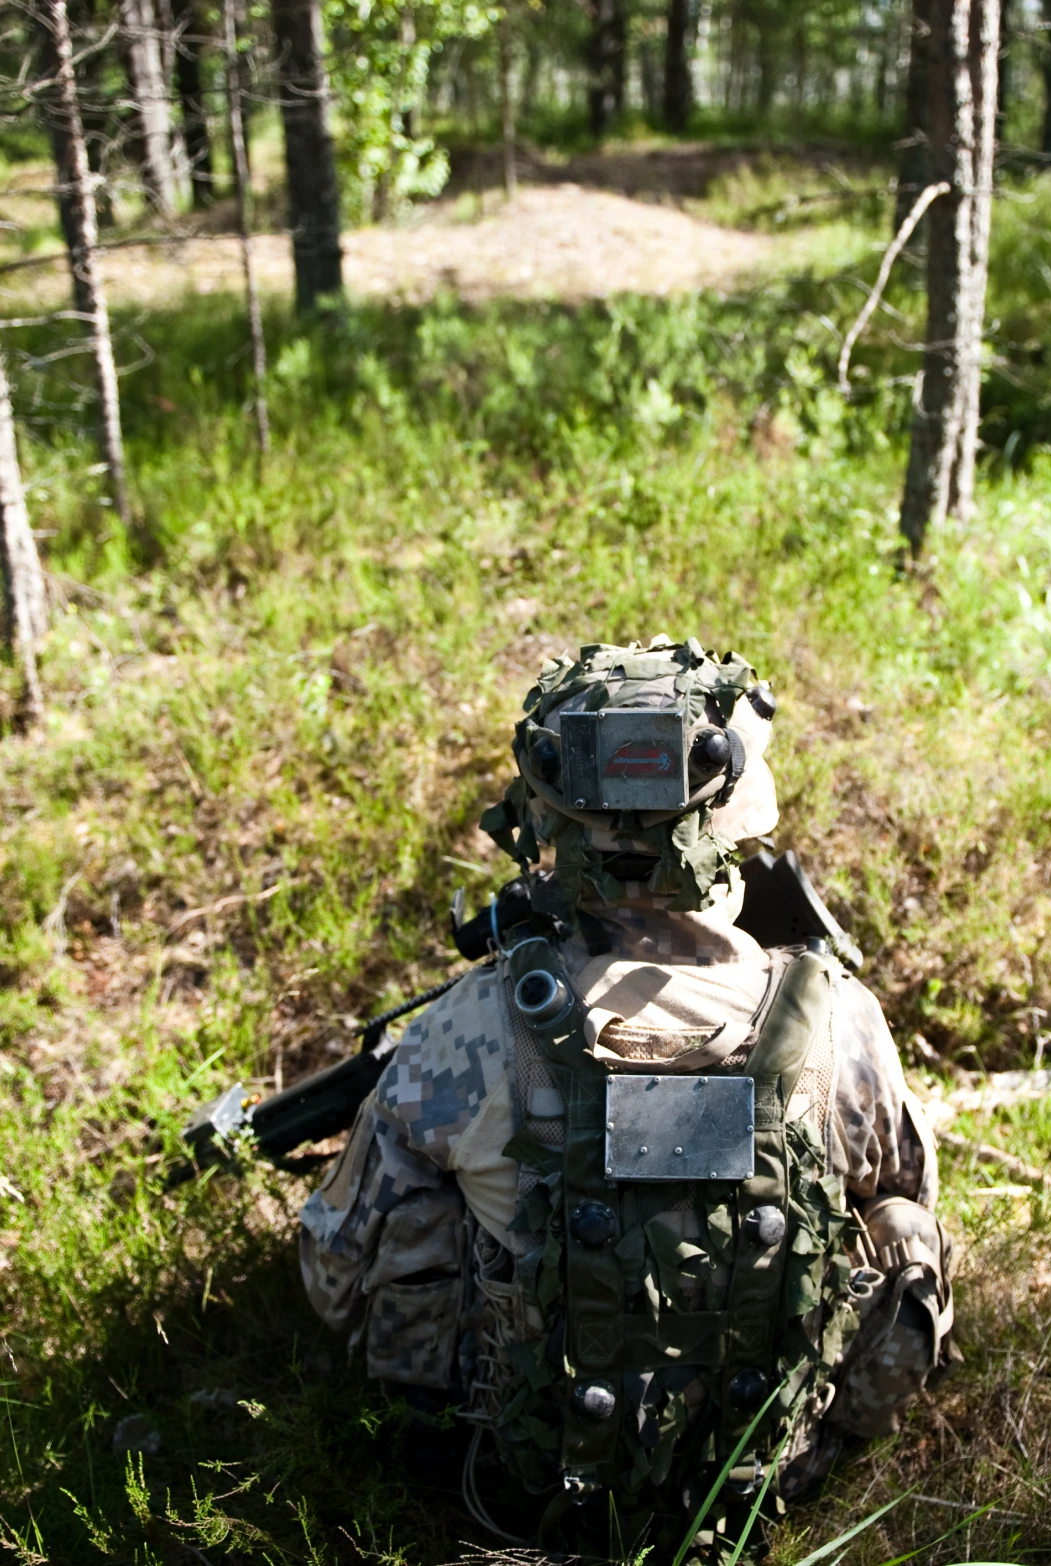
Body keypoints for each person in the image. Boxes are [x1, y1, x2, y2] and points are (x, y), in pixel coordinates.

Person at [296, 638, 953, 1554]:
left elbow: (335, 1286)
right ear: (735, 814)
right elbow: (909, 1213)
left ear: (545, 816)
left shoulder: (471, 1027)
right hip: (772, 1479)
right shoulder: (838, 1020)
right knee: (899, 1218)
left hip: (517, 1481)